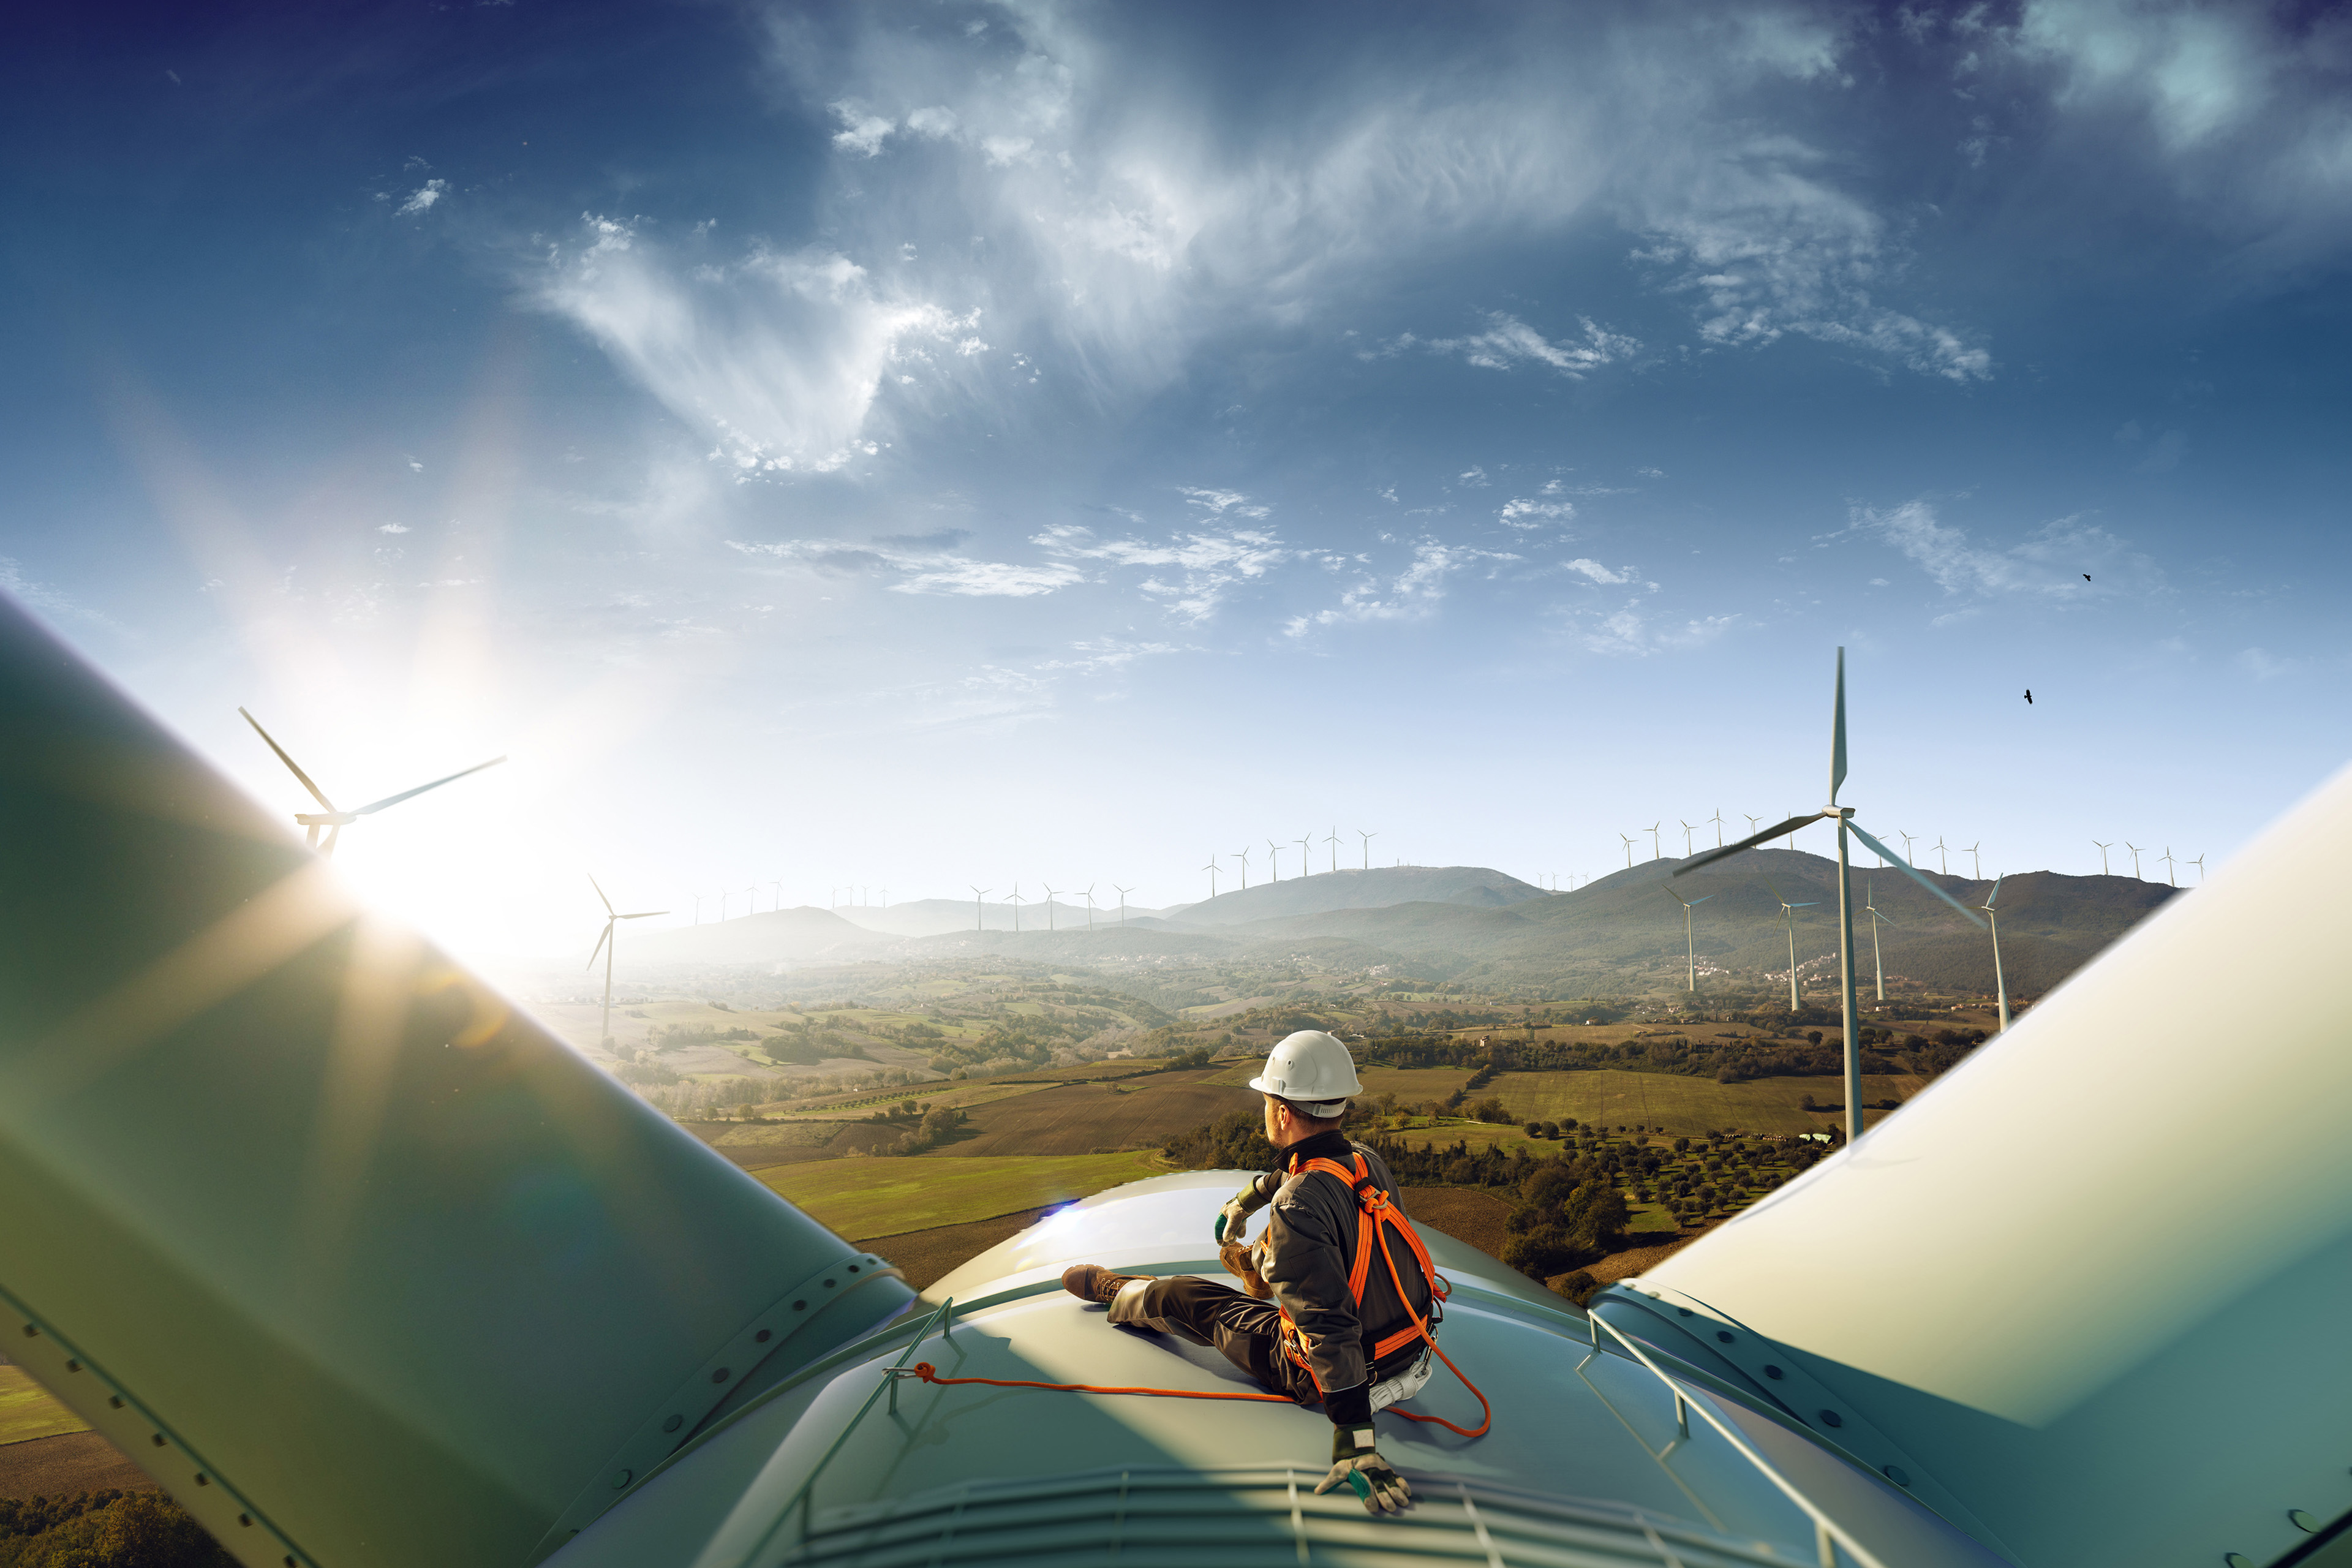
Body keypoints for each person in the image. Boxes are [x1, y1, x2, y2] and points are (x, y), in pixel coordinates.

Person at [1060, 1030, 1436, 1514]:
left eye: (1267, 1100)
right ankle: (1259, 1268)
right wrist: (1246, 1200)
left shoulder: (1298, 1204)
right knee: (1287, 1250)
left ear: (1282, 1111)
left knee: (1185, 1295)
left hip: (1337, 1376)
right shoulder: (1365, 1161)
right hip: (1413, 1351)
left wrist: (1356, 1441)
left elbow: (1329, 1326)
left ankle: (1123, 1293)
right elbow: (1300, 1173)